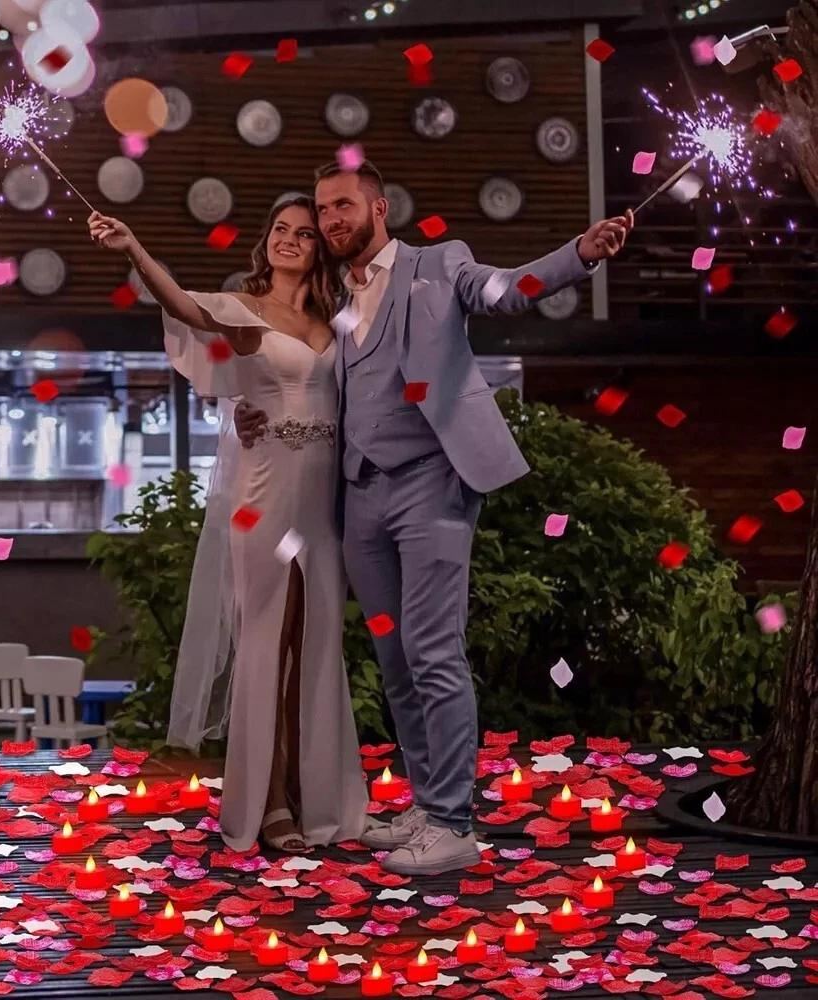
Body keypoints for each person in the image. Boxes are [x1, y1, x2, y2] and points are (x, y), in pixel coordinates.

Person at [233, 160, 634, 875]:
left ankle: (453, 823)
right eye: (323, 209)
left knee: (433, 651)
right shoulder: (334, 296)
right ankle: (427, 802)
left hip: (433, 484)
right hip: (358, 497)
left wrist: (579, 253)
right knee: (395, 660)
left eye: (342, 205)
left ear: (378, 208)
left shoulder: (440, 265)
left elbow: (506, 290)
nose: (330, 219)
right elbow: (309, 384)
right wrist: (252, 410)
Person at [87, 197, 369, 854]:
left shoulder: (336, 319)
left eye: (304, 233)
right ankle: (267, 803)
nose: (290, 240)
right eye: (280, 230)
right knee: (268, 643)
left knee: (315, 646)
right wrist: (134, 249)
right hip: (264, 498)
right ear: (265, 241)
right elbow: (186, 307)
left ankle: (315, 798)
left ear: (320, 248)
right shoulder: (245, 311)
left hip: (324, 509)